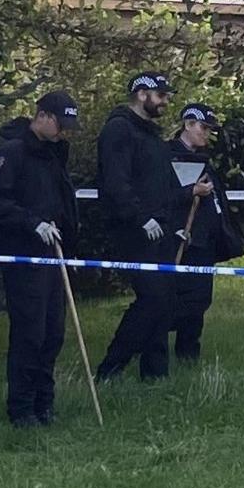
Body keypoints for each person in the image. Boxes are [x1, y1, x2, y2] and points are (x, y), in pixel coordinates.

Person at [0, 90, 81, 427]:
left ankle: (45, 402)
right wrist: (32, 223)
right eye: (60, 124)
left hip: (54, 253)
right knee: (30, 332)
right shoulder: (12, 153)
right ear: (42, 116)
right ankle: (21, 407)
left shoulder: (54, 155)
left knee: (53, 332)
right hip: (24, 256)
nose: (63, 132)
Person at [94, 71, 182, 383]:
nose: (166, 102)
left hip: (161, 229)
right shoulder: (119, 130)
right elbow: (116, 182)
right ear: (142, 94)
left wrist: (173, 222)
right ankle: (111, 367)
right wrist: (138, 217)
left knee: (166, 299)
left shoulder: (152, 135)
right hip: (135, 230)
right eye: (161, 95)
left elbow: (161, 183)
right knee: (152, 297)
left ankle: (155, 372)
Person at [167, 103, 244, 362]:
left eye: (209, 129)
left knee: (200, 300)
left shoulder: (204, 160)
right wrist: (190, 192)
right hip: (180, 241)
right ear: (188, 124)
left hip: (204, 243)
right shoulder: (166, 156)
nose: (206, 134)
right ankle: (150, 347)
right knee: (173, 301)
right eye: (203, 127)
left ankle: (188, 355)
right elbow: (159, 197)